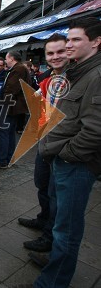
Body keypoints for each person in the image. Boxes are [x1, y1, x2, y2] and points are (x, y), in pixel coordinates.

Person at [30, 17, 101, 287]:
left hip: (75, 164)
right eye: (67, 39)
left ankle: (52, 282)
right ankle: (54, 266)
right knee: (60, 224)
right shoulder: (79, 73)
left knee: (67, 230)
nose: (68, 45)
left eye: (75, 40)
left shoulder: (96, 76)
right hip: (63, 159)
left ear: (96, 42)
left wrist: (67, 153)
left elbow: (94, 130)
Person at [18, 34, 69, 259]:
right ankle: (43, 219)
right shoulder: (48, 77)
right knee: (42, 184)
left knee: (56, 195)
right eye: (50, 53)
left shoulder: (76, 77)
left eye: (60, 52)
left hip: (62, 147)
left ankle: (49, 237)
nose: (55, 57)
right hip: (44, 140)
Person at [0, 51, 30, 168]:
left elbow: (11, 88)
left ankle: (1, 160)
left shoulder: (19, 70)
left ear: (11, 58)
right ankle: (7, 157)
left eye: (6, 59)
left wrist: (1, 100)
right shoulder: (18, 69)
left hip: (8, 106)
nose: (5, 61)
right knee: (9, 133)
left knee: (3, 132)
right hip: (12, 106)